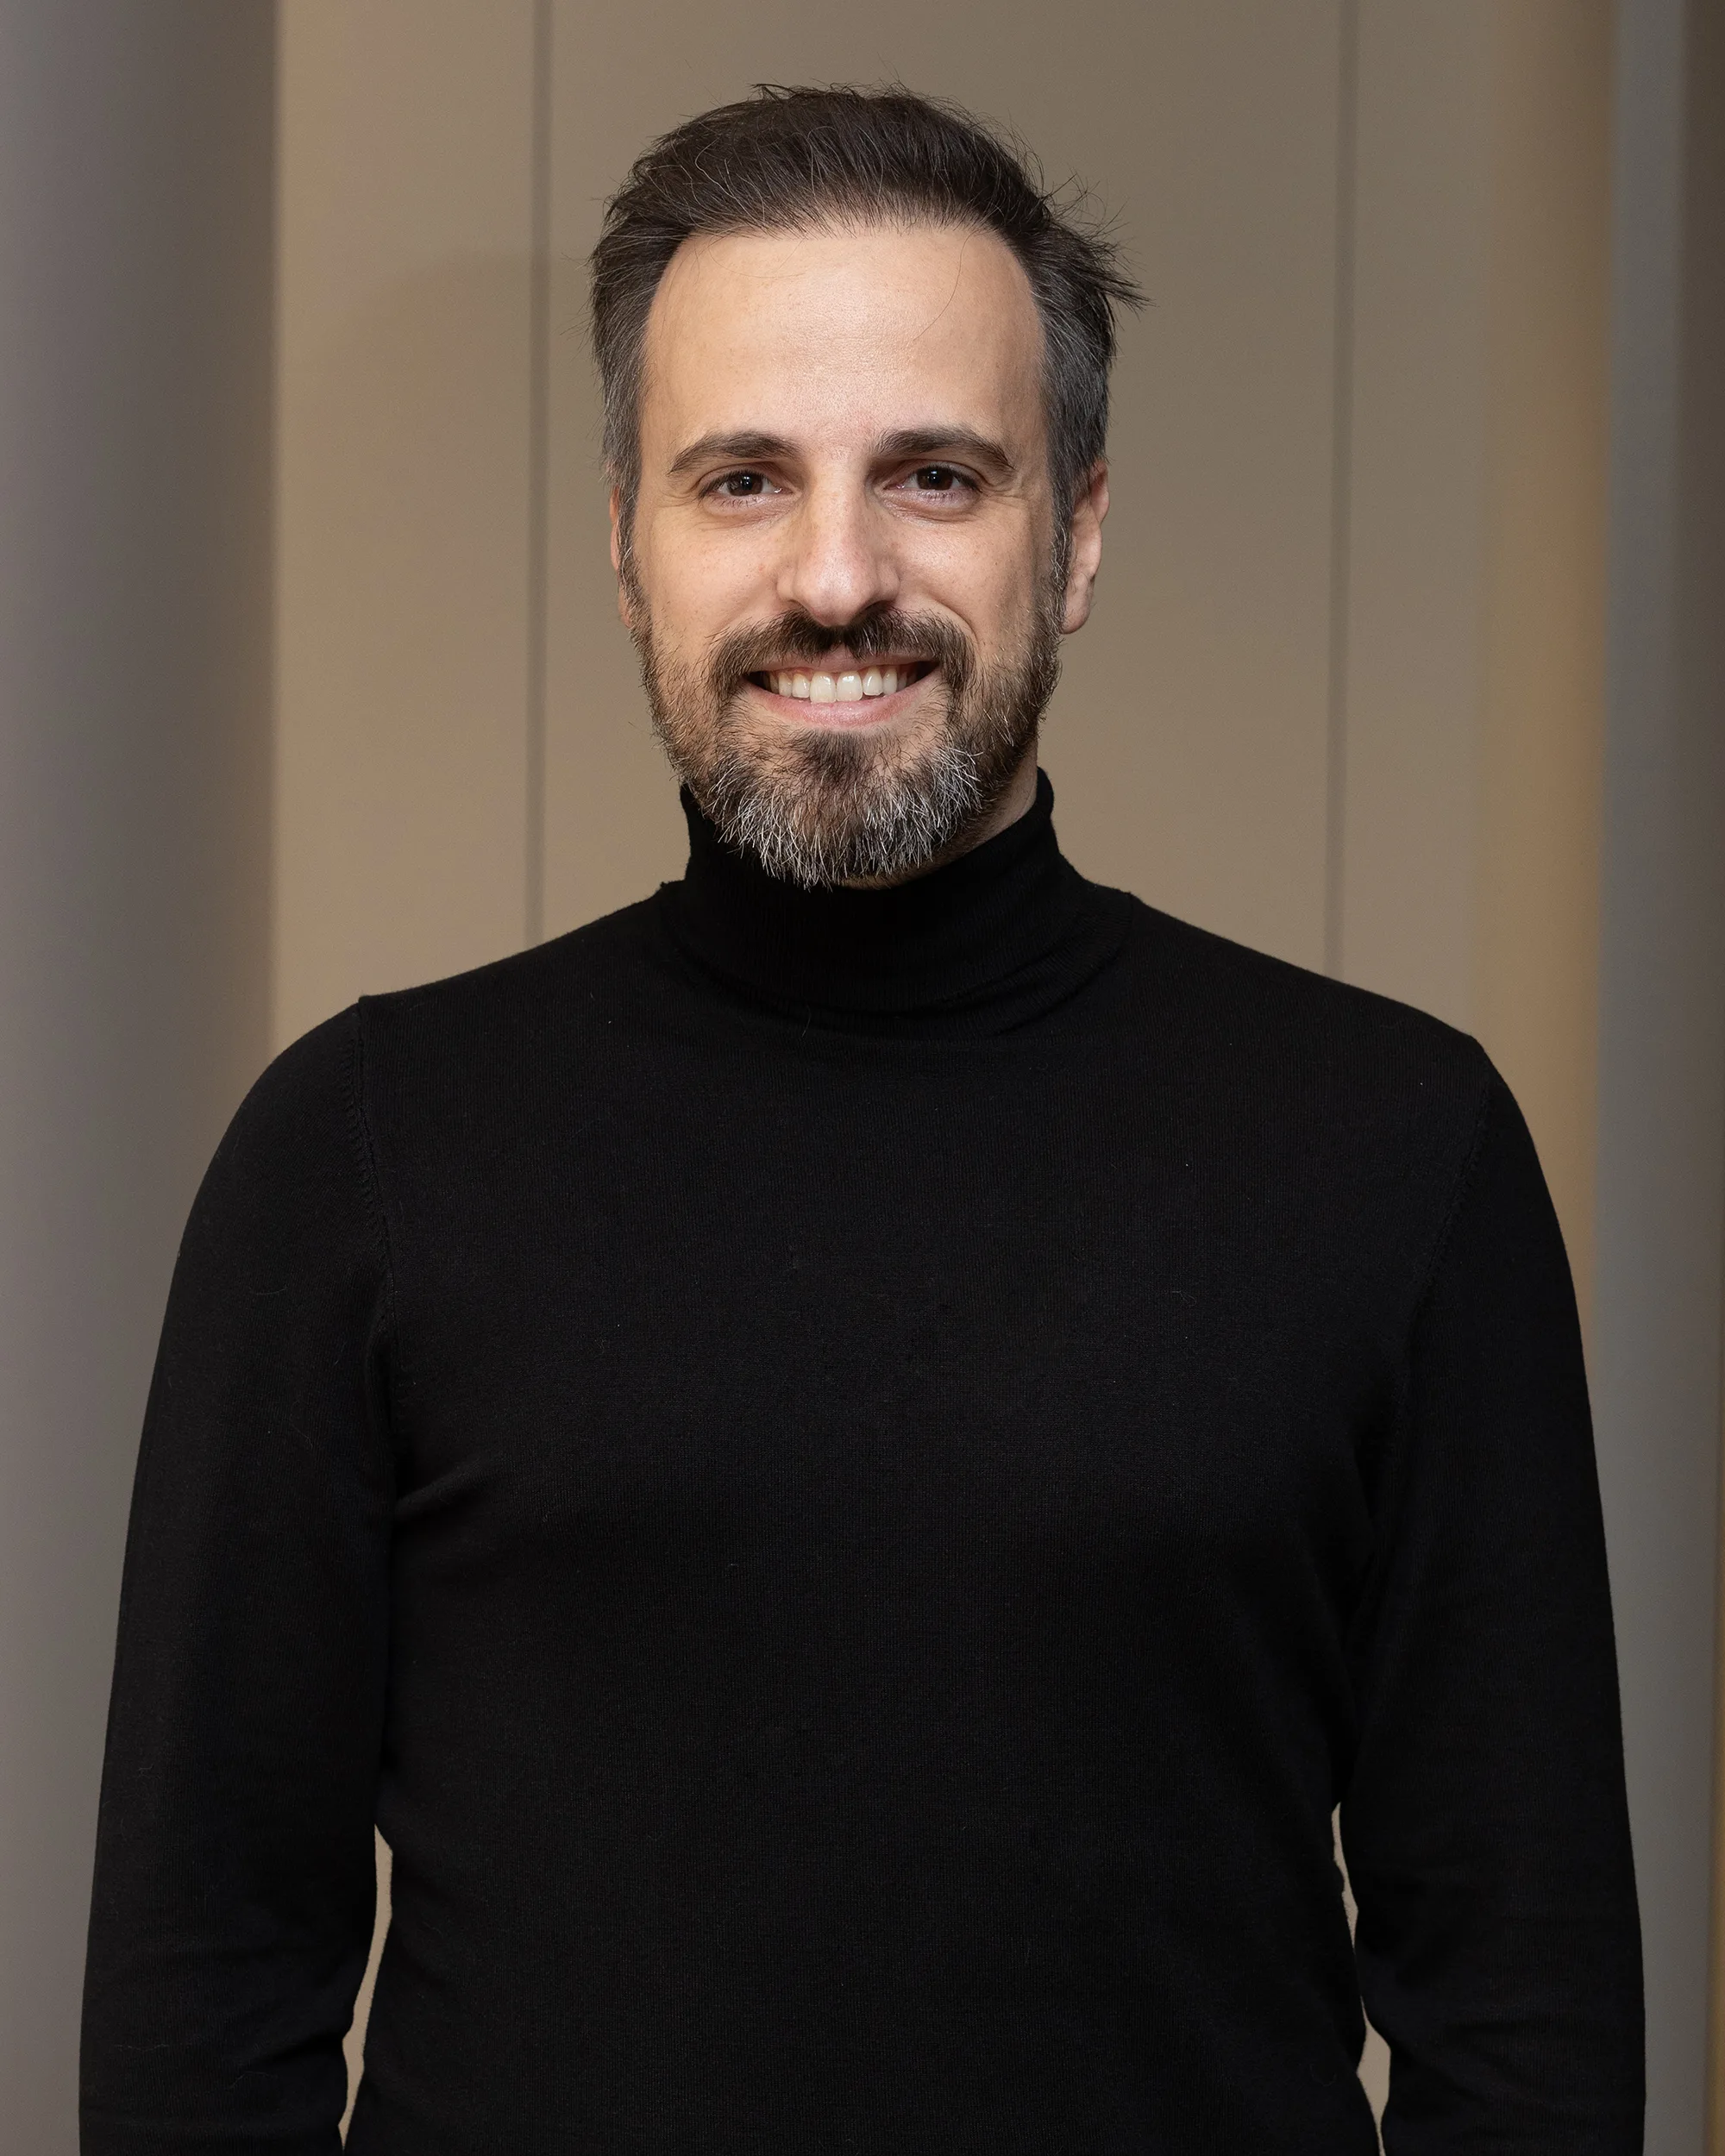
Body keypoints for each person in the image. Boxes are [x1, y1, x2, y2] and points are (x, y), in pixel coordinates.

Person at [81, 85, 1643, 2154]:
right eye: (741, 479)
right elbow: (199, 2012)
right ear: (626, 545)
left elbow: (1527, 2029)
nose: (836, 576)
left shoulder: (1397, 1155)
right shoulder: (357, 1156)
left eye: (934, 475)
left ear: (1075, 533)